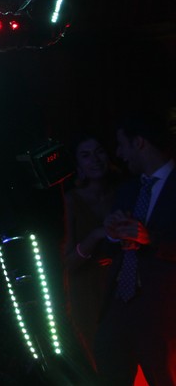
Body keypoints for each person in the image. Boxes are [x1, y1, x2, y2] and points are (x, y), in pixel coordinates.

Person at [94, 101, 176, 385]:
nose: (118, 154)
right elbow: (109, 249)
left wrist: (149, 239)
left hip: (162, 310)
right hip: (120, 305)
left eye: (121, 144)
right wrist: (112, 234)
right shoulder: (128, 189)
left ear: (139, 142)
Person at [61, 132, 122, 371]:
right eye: (86, 155)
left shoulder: (123, 192)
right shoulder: (70, 201)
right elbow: (67, 263)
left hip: (122, 286)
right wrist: (96, 235)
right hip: (87, 292)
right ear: (77, 164)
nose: (95, 160)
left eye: (99, 152)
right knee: (102, 363)